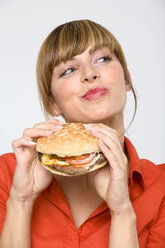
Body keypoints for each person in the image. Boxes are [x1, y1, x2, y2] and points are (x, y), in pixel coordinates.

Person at [0, 19, 165, 248]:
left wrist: (122, 212)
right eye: (69, 70)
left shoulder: (161, 188)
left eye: (103, 59)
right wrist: (21, 201)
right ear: (52, 104)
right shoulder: (8, 174)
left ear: (126, 79)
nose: (89, 74)